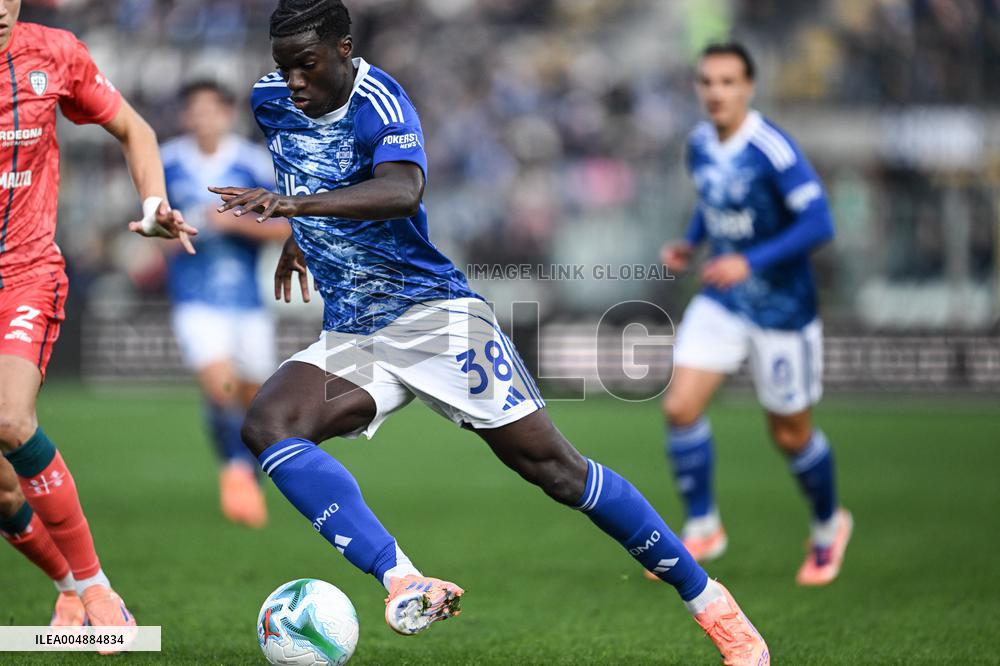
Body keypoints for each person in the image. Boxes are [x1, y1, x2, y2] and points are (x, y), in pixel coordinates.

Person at [213, 3, 769, 664]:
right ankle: (403, 579)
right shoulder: (271, 99)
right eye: (284, 67)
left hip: (433, 319)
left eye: (307, 65)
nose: (295, 81)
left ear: (344, 48)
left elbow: (402, 191)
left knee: (557, 471)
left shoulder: (380, 102)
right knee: (268, 424)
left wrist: (297, 209)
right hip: (355, 332)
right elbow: (301, 167)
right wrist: (303, 237)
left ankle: (712, 605)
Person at [0, 0, 195, 635]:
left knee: (10, 419)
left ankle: (97, 589)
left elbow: (136, 128)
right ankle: (69, 590)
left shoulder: (53, 52)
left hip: (24, 274)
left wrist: (154, 201)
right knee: (3, 491)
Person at [656, 42, 851, 586]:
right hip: (723, 299)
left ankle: (828, 525)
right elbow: (712, 200)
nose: (716, 92)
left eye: (727, 82)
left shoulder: (771, 149)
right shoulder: (699, 143)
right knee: (680, 407)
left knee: (790, 435)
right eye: (707, 82)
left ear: (749, 87)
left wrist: (750, 261)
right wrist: (692, 243)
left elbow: (819, 223)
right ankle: (703, 526)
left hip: (782, 308)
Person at [162, 79, 289, 528]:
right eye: (194, 109)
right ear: (185, 115)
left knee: (253, 400)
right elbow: (151, 227)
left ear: (227, 113)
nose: (202, 118)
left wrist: (235, 224)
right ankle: (236, 472)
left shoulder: (252, 163)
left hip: (248, 300)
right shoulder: (166, 161)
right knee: (221, 388)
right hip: (194, 296)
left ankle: (245, 471)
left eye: (210, 109)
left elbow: (286, 227)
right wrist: (174, 232)